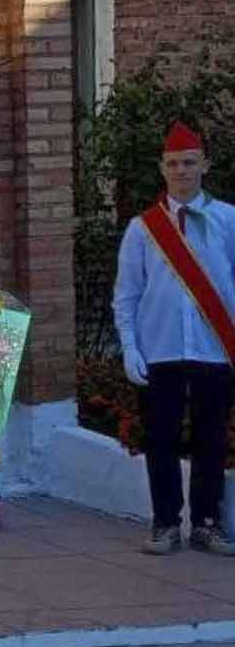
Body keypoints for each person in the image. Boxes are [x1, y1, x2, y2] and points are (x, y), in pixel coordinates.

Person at [113, 121, 235, 556]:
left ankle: (206, 523)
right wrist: (130, 346)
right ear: (162, 169)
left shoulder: (229, 220)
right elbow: (127, 294)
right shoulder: (142, 228)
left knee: (211, 440)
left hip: (214, 348)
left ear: (205, 165)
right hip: (159, 349)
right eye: (173, 164)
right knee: (161, 441)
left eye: (188, 162)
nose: (181, 171)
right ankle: (165, 523)